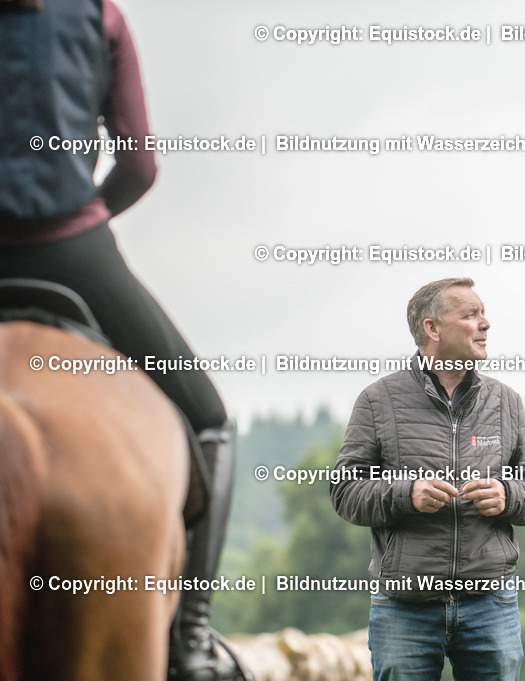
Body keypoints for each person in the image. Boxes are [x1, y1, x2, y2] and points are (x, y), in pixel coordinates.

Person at [0, 1, 248, 679]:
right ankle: (191, 640)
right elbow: (138, 163)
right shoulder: (97, 15)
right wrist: (82, 224)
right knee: (210, 420)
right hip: (71, 251)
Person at [331, 278, 525, 681]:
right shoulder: (378, 401)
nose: (485, 324)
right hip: (403, 607)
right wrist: (406, 493)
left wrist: (507, 494)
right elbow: (345, 492)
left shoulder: (506, 402)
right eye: (471, 315)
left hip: (490, 604)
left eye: (483, 313)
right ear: (432, 330)